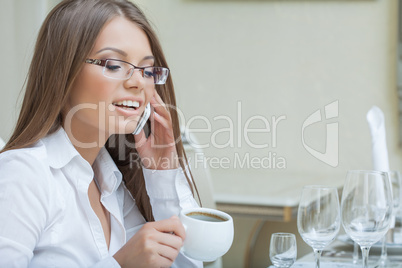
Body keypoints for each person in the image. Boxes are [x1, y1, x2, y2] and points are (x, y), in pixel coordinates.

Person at [0, 0, 203, 267]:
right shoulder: (23, 174)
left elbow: (185, 263)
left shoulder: (110, 181)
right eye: (113, 64)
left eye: (147, 69)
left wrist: (161, 173)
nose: (137, 82)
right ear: (63, 72)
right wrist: (120, 264)